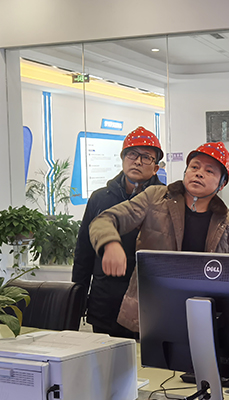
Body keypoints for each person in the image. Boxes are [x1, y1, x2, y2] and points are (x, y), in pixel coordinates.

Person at [89, 141, 229, 331]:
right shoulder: (155, 198)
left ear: (222, 183)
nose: (199, 173)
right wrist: (110, 243)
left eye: (209, 171)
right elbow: (104, 220)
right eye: (194, 167)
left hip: (202, 319)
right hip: (151, 312)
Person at [72, 126, 165, 338]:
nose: (138, 161)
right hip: (105, 302)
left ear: (156, 168)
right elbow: (84, 253)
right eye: (132, 154)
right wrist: (77, 299)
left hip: (147, 305)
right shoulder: (100, 198)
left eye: (146, 157)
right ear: (122, 159)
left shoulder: (165, 201)